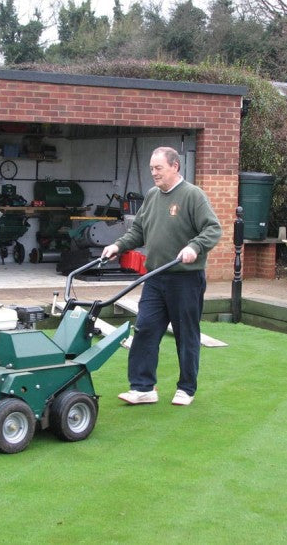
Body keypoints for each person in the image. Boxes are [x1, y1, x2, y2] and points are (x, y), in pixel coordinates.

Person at [101, 146, 222, 406]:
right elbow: (139, 231)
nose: (154, 173)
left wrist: (194, 247)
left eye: (159, 168)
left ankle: (186, 388)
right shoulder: (153, 196)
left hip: (186, 278)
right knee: (145, 329)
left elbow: (213, 228)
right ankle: (143, 387)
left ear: (175, 166)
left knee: (186, 334)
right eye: (151, 169)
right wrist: (118, 246)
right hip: (155, 278)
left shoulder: (192, 195)